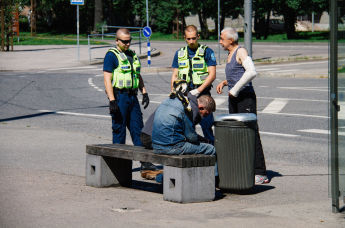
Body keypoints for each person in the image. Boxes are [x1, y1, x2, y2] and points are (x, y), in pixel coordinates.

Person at [216, 27, 269, 184]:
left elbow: (251, 72)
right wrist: (226, 83)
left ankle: (260, 172)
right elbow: (238, 73)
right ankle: (242, 168)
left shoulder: (240, 51)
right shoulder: (230, 53)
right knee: (237, 135)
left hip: (245, 98)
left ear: (230, 40)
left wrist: (235, 89)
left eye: (222, 38)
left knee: (251, 134)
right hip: (235, 97)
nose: (220, 41)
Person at [103, 28, 154, 172]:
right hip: (120, 97)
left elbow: (137, 75)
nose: (127, 44)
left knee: (138, 129)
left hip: (132, 97)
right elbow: (107, 79)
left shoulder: (132, 54)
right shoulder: (111, 55)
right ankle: (118, 164)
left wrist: (144, 92)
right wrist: (112, 100)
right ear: (117, 41)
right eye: (124, 42)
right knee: (119, 130)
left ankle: (144, 162)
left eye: (129, 41)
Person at [151, 80, 218, 178]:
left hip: (156, 145)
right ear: (201, 107)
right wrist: (203, 141)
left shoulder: (170, 100)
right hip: (171, 147)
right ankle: (215, 180)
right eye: (206, 113)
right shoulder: (188, 108)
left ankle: (161, 178)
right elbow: (191, 137)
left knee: (191, 148)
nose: (205, 117)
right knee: (211, 149)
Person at [171, 25, 217, 144]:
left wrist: (198, 90)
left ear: (198, 36)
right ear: (185, 38)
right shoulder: (179, 53)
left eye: (194, 38)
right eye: (188, 39)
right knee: (188, 128)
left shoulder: (207, 51)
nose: (191, 41)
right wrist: (172, 91)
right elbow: (175, 76)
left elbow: (212, 75)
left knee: (207, 127)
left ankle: (214, 154)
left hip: (202, 94)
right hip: (185, 96)